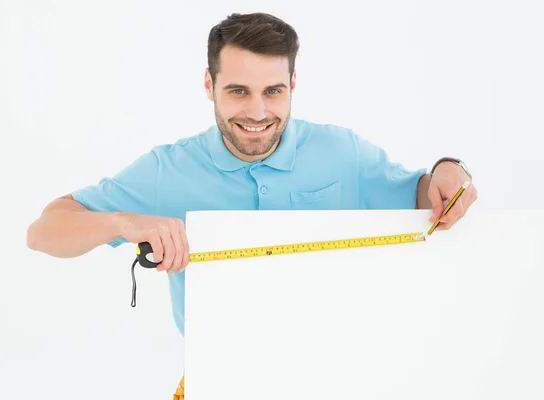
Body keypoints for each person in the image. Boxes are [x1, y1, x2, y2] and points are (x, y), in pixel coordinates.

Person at [26, 12, 478, 399]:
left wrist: (446, 169)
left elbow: (423, 201)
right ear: (209, 84)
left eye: (274, 91)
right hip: (221, 381)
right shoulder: (167, 169)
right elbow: (44, 231)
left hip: (342, 379)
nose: (259, 112)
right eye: (239, 91)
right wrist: (124, 223)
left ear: (293, 84)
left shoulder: (344, 153)